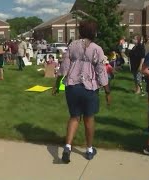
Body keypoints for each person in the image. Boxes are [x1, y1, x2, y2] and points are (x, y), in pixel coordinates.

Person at [52, 20, 111, 164]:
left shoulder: (72, 45)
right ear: (94, 33)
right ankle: (89, 149)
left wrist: (56, 84)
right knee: (89, 119)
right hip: (89, 88)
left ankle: (67, 147)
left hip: (72, 87)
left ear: (81, 32)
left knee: (74, 117)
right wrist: (108, 92)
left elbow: (64, 67)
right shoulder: (97, 49)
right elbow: (101, 72)